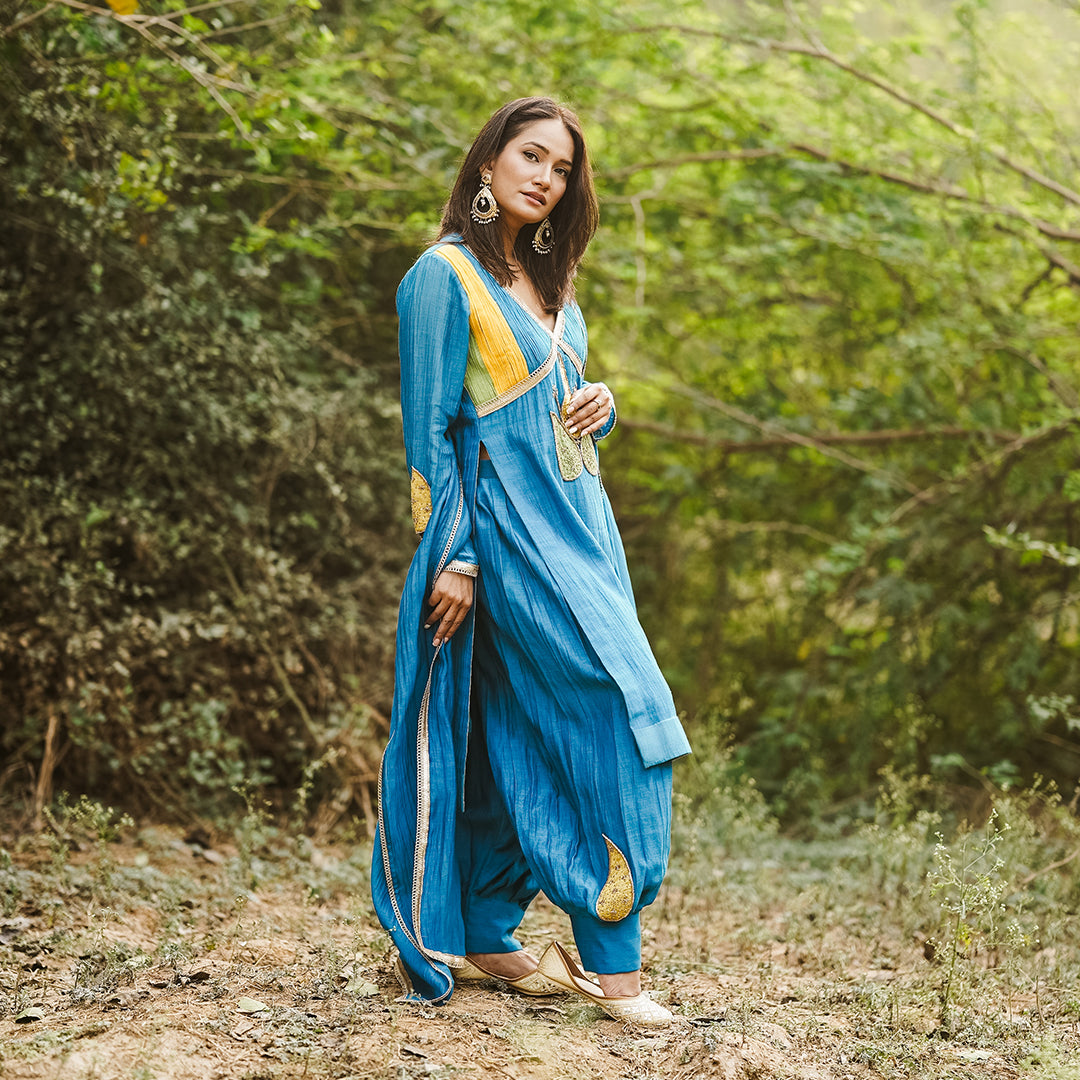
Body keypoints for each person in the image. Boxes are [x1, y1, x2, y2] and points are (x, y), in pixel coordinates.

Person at [372, 97, 691, 1029]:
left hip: (585, 529)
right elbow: (431, 432)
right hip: (506, 539)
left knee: (506, 723)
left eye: (561, 167)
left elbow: (557, 408)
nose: (545, 175)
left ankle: (480, 927)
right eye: (530, 154)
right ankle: (615, 966)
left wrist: (602, 402)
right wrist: (457, 554)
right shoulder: (443, 278)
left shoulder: (553, 282)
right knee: (614, 708)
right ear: (487, 162)